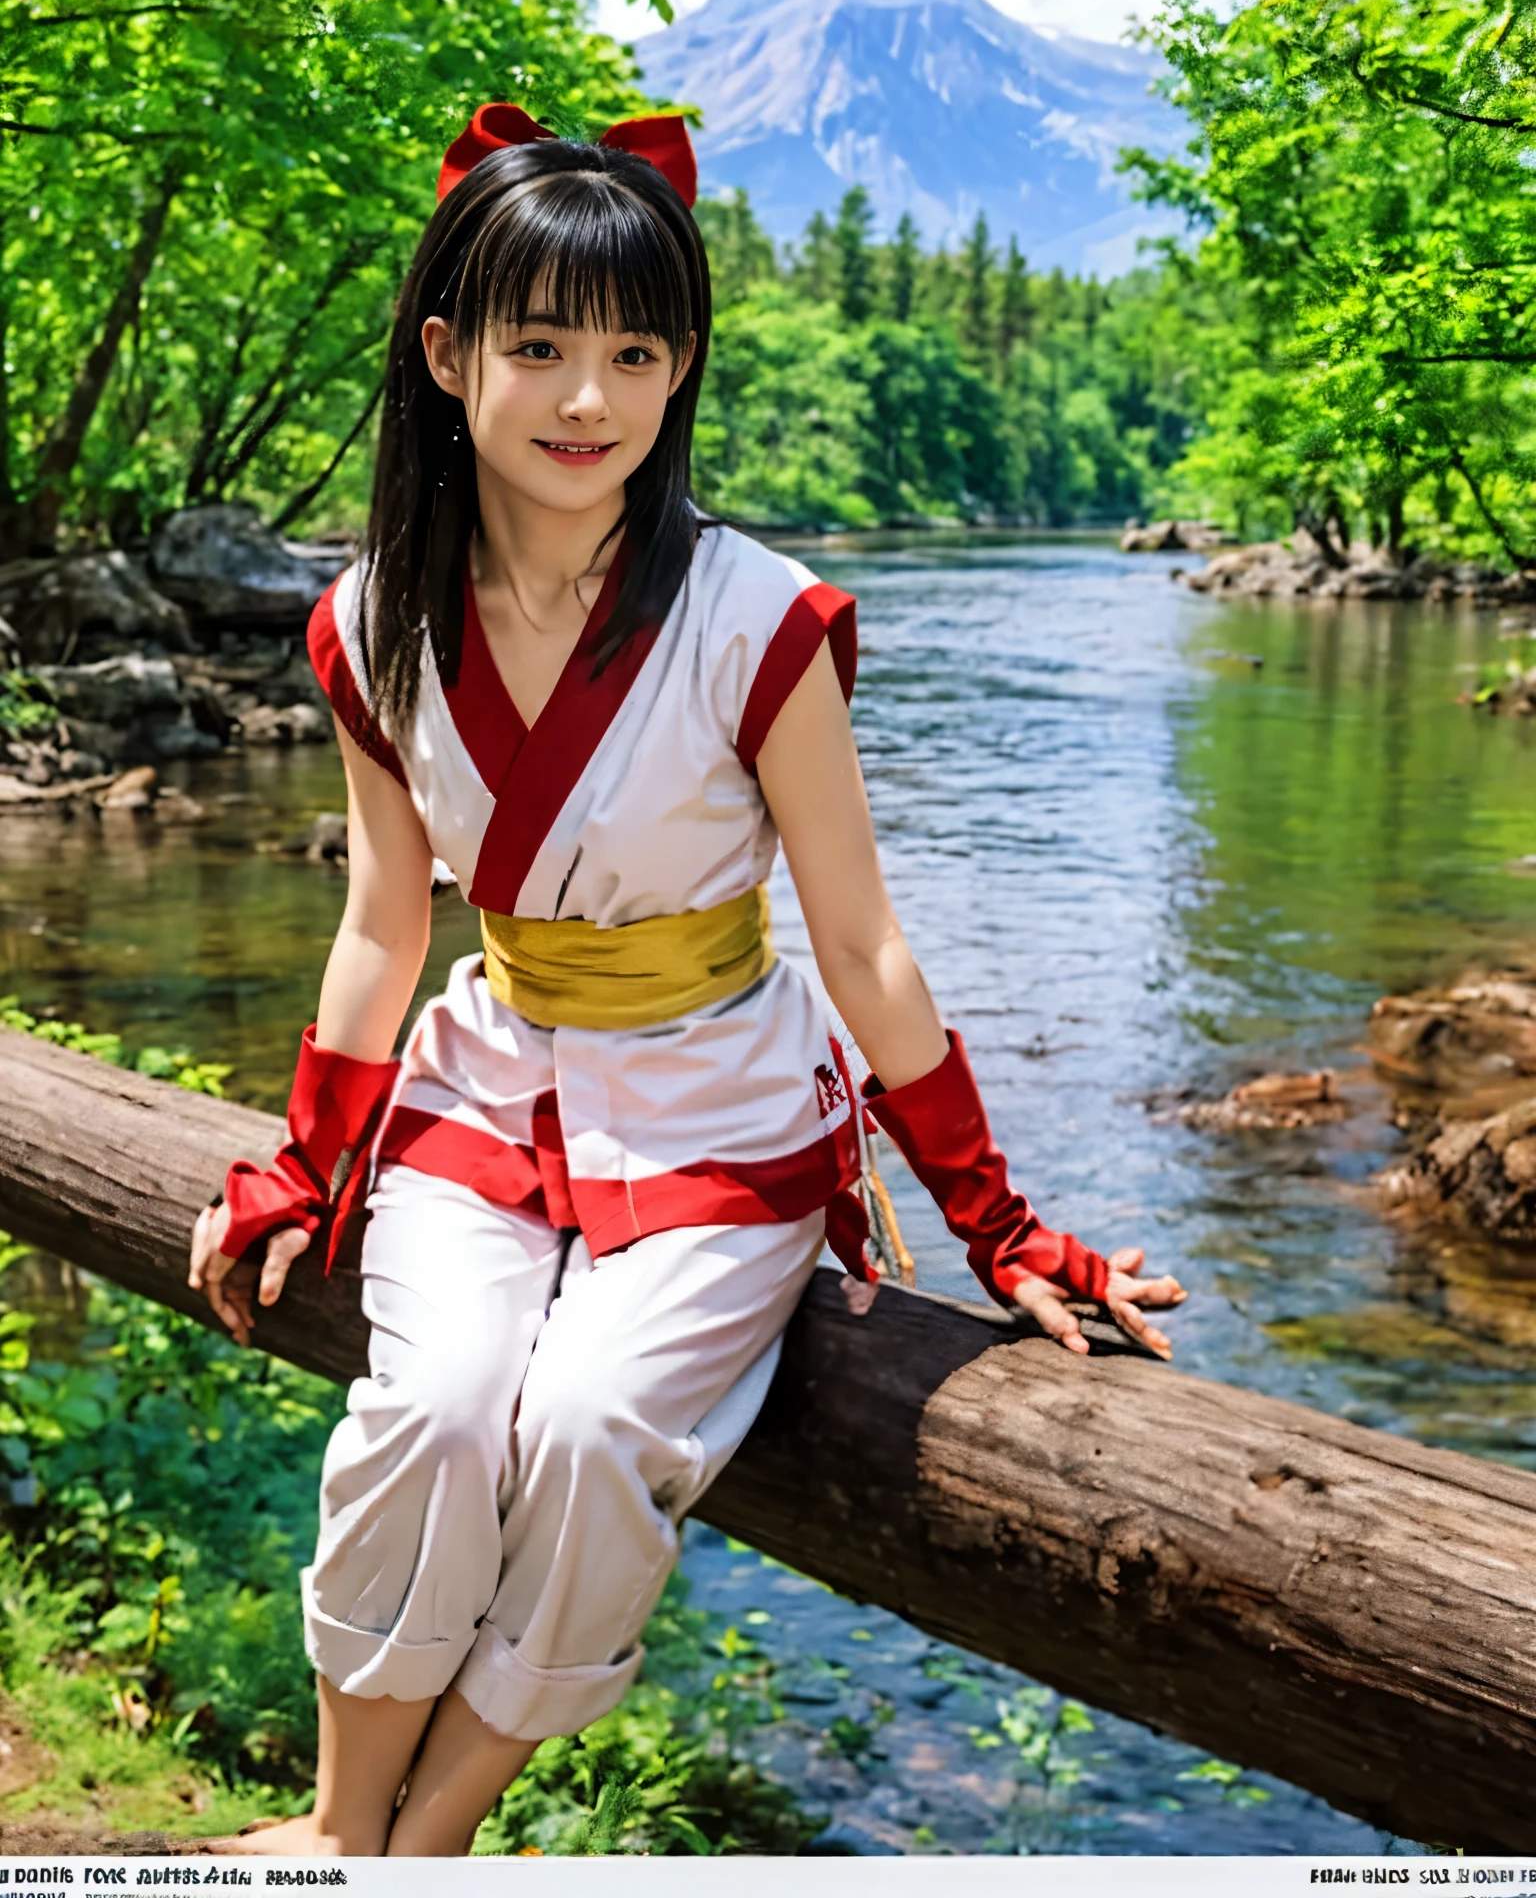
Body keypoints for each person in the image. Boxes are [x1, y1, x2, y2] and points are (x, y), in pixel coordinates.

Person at [187, 102, 1186, 1858]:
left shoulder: (757, 618)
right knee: (425, 1408)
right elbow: (383, 925)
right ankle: (341, 1834)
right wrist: (300, 1161)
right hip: (488, 1089)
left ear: (682, 370)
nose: (591, 399)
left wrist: (1002, 1226)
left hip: (722, 1096)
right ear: (446, 356)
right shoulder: (369, 626)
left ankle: (432, 1848)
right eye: (543, 346)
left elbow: (862, 943)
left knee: (582, 1433)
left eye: (637, 352)